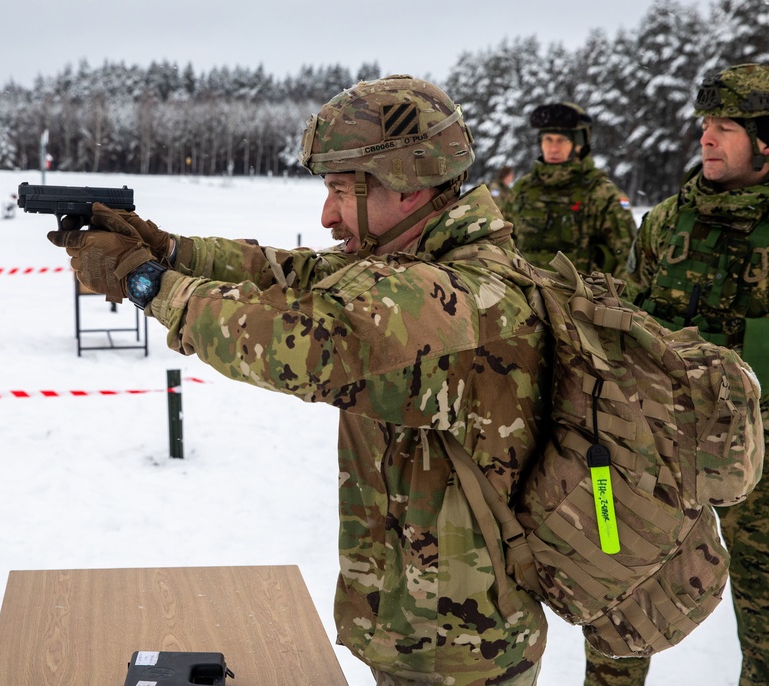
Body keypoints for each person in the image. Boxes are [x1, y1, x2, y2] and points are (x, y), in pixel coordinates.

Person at [47, 75, 553, 685]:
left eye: (343, 189)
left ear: (410, 185)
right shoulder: (415, 265)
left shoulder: (461, 298)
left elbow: (305, 343)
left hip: (461, 657)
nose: (328, 214)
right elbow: (290, 272)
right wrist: (170, 249)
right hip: (420, 633)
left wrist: (147, 282)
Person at [610, 63, 769, 686]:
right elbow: (626, 324)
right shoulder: (664, 222)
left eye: (725, 127)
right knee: (620, 598)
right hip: (657, 444)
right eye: (705, 124)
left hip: (759, 457)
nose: (706, 138)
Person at [501, 102, 637, 278]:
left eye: (562, 140)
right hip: (526, 296)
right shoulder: (523, 190)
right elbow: (502, 245)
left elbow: (628, 262)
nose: (553, 148)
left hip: (582, 300)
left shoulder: (602, 194)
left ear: (579, 144)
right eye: (547, 139)